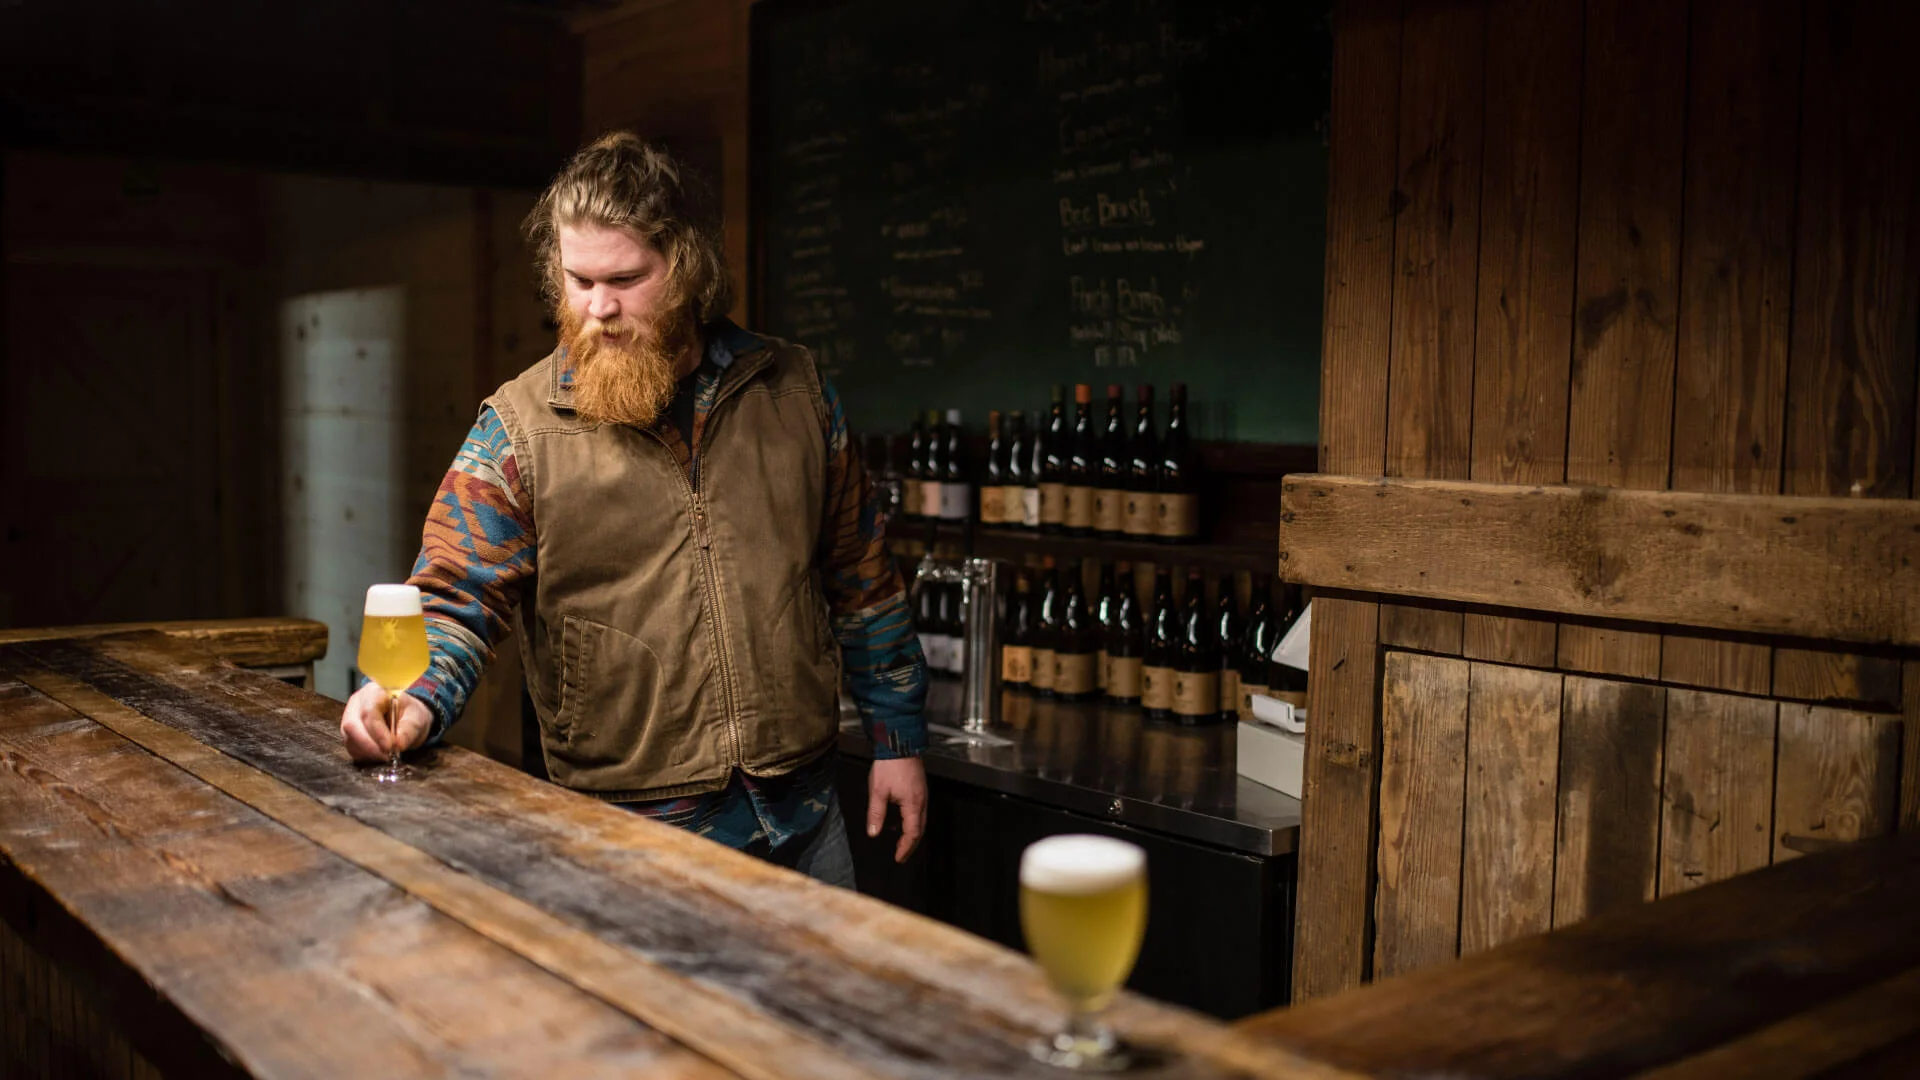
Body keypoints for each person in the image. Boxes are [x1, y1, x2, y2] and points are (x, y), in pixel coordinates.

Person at [337, 132, 928, 886]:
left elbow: (862, 576)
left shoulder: (794, 391)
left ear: (688, 266)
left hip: (810, 821)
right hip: (624, 840)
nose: (599, 308)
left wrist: (898, 739)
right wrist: (411, 700)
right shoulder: (519, 426)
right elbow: (458, 597)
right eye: (578, 280)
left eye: (625, 278)